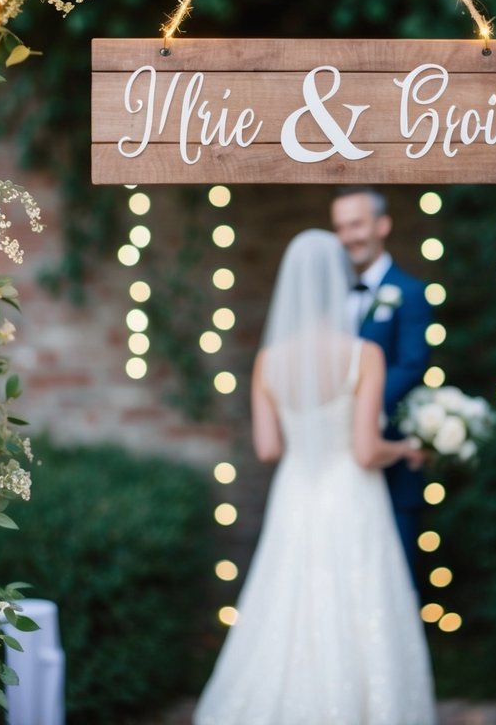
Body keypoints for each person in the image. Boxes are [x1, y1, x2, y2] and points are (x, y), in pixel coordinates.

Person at [194, 229, 436, 725]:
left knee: (286, 606)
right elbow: (366, 450)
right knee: (360, 601)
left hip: (296, 494)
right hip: (351, 492)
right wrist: (407, 449)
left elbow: (268, 448)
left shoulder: (266, 363)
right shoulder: (362, 354)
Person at [331, 188, 431, 581]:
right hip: (338, 461)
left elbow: (412, 363)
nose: (347, 236)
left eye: (355, 224)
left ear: (382, 225)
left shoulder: (411, 293)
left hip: (389, 454)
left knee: (394, 578)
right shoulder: (327, 297)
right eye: (339, 227)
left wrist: (362, 412)